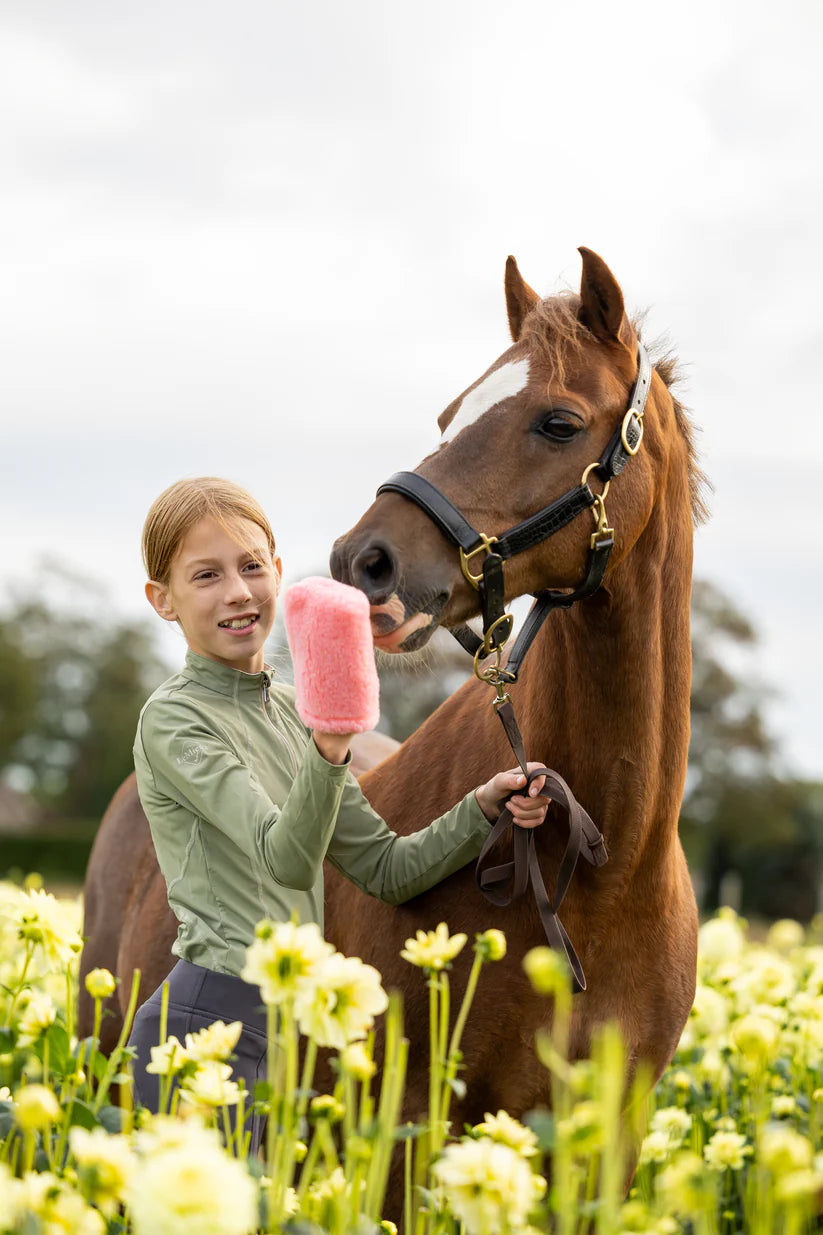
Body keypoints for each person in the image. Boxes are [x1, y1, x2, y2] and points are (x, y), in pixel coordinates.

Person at [127, 476, 548, 1148]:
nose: (237, 591)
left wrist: (481, 807)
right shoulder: (175, 722)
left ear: (280, 574)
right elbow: (285, 858)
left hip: (292, 1032)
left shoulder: (297, 717)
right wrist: (329, 750)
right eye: (205, 575)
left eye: (251, 566)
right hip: (205, 1025)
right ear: (163, 600)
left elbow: (386, 868)